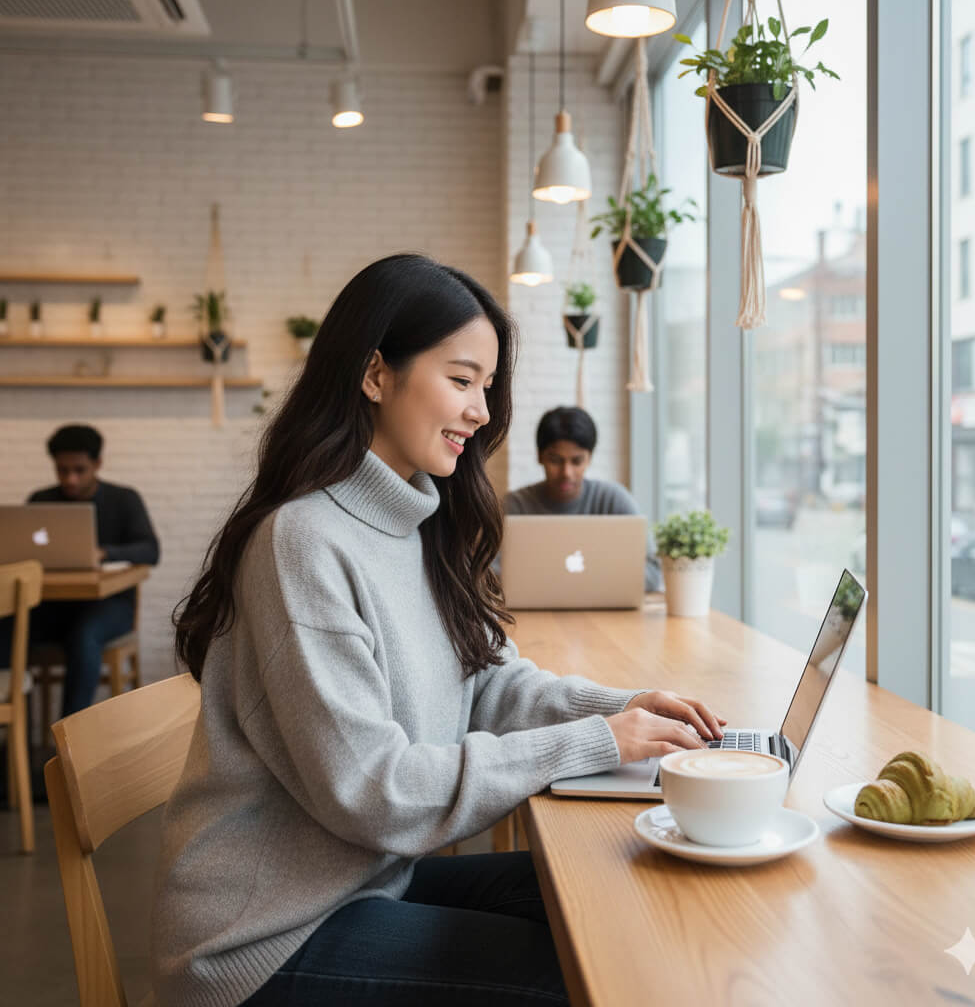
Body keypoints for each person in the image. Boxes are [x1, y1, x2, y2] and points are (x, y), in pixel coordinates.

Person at [151, 254, 726, 1007]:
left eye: (487, 387)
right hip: (266, 938)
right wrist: (599, 743)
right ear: (375, 375)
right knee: (585, 972)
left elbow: (486, 679)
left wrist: (626, 711)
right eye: (461, 381)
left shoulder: (418, 522)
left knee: (621, 887)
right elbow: (374, 791)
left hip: (364, 879)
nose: (483, 412)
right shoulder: (303, 543)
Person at [0, 424, 159, 716]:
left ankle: (67, 741)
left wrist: (105, 553)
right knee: (5, 627)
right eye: (62, 470)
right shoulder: (40, 501)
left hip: (110, 606)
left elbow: (150, 550)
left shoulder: (123, 499)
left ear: (97, 464)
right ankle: (11, 740)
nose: (70, 479)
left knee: (84, 634)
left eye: (79, 469)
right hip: (52, 606)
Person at [504, 406, 664, 592]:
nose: (566, 473)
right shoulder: (513, 507)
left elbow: (653, 573)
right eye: (555, 460)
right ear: (540, 457)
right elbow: (486, 573)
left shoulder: (614, 500)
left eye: (577, 461)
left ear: (589, 459)